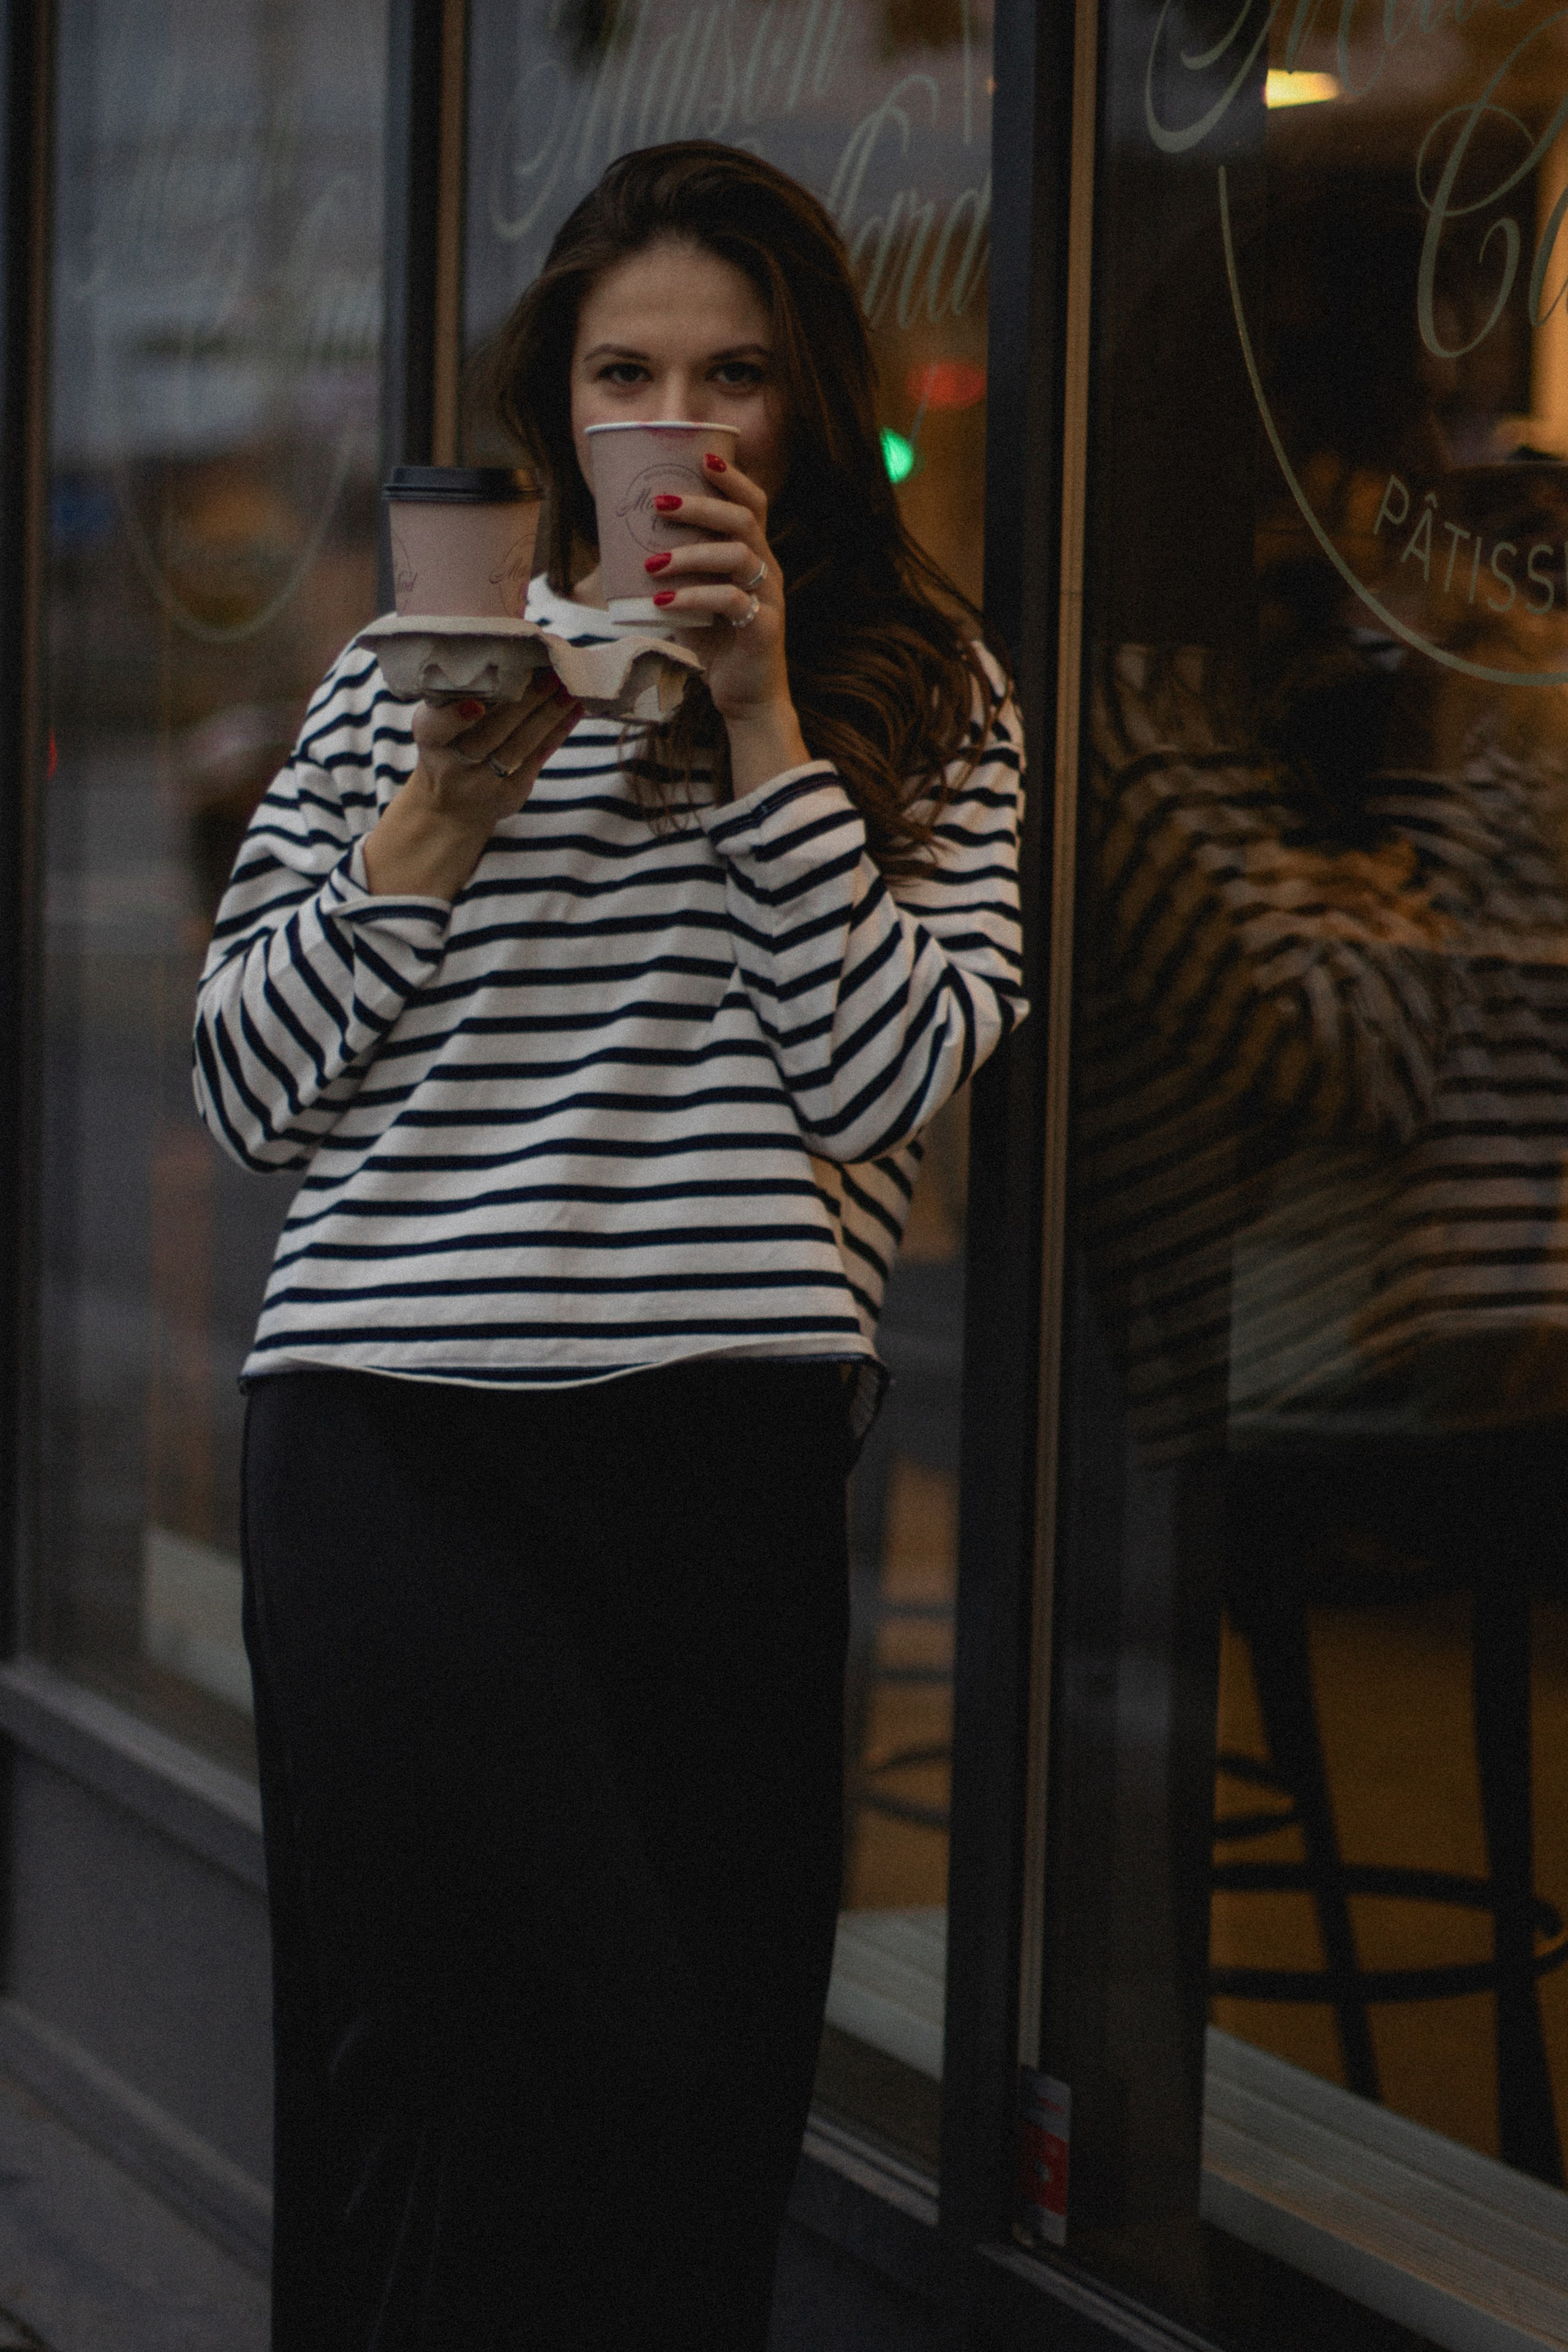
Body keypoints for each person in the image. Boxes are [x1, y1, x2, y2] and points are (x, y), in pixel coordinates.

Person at [192, 141, 1026, 2352]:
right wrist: (443, 812)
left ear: (805, 407)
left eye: (732, 375)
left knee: (702, 2100)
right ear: (559, 407)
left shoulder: (926, 693)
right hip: (389, 1439)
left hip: (724, 1455)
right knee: (488, 2078)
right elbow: (248, 1090)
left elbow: (881, 1082)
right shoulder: (409, 677)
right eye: (627, 373)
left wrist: (760, 721)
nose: (678, 420)